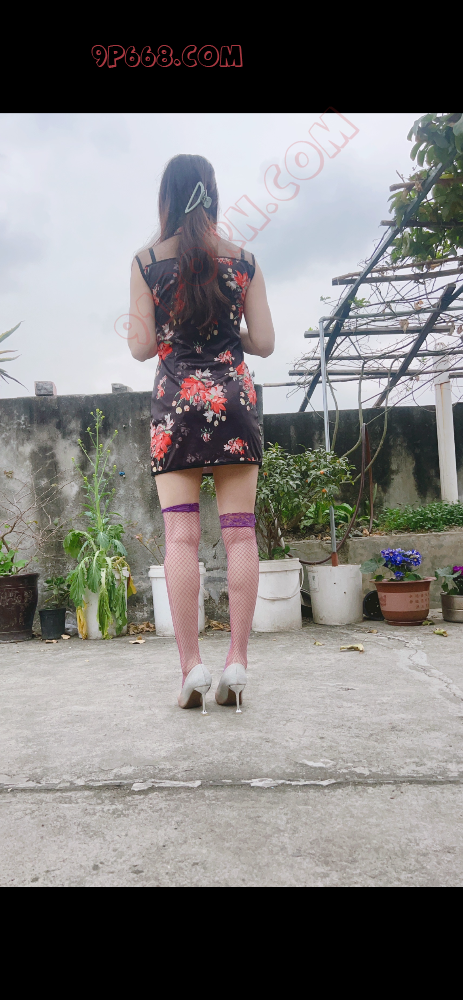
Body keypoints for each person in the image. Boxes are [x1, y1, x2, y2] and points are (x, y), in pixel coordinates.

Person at [128, 154, 274, 713]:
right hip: (234, 403)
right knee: (240, 535)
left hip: (177, 409)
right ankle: (237, 661)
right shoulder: (244, 261)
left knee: (181, 539)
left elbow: (141, 348)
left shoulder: (146, 262)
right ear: (212, 193)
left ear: (166, 198)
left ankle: (191, 667)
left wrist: (172, 327)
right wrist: (229, 329)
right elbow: (264, 342)